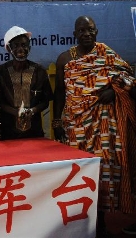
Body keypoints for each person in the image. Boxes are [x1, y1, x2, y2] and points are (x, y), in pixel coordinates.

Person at [53, 15, 136, 236]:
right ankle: (84, 221)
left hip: (105, 125)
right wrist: (56, 120)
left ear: (96, 31)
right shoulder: (64, 59)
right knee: (80, 173)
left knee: (105, 170)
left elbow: (127, 77)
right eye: (82, 30)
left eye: (90, 30)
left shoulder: (107, 54)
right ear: (74, 34)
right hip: (77, 126)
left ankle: (103, 220)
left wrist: (113, 90)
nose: (86, 34)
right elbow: (60, 94)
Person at [0, 26, 53, 140]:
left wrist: (32, 111)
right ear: (9, 48)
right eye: (15, 45)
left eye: (24, 45)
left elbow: (45, 101)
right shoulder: (0, 72)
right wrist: (16, 112)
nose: (21, 49)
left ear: (29, 47)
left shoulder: (39, 71)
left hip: (34, 132)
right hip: (8, 133)